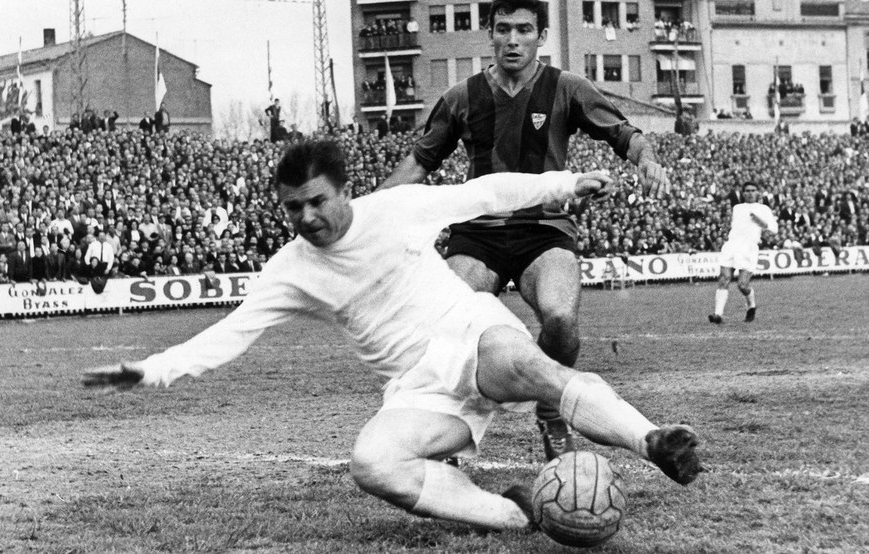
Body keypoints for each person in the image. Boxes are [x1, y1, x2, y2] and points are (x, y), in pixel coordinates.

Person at [84, 140, 702, 534]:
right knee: (373, 464)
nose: (305, 218)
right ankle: (518, 514)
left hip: (467, 331)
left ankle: (652, 442)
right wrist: (151, 369)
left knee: (530, 365)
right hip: (417, 388)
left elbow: (482, 193)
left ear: (343, 190)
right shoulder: (290, 269)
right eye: (291, 208)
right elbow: (230, 333)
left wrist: (562, 185)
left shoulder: (394, 210)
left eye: (315, 202)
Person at [380, 0, 670, 461]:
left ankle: (552, 409)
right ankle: (448, 427)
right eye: (503, 29)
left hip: (544, 229)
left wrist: (648, 160)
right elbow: (420, 161)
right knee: (447, 327)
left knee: (560, 318)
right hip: (478, 234)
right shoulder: (462, 97)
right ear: (490, 35)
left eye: (523, 30)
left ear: (541, 37)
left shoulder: (566, 88)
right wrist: (373, 213)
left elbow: (624, 133)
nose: (512, 39)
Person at [709, 181, 778, 324]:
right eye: (747, 190)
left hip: (749, 249)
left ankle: (751, 306)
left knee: (742, 285)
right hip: (732, 245)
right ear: (743, 193)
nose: (750, 193)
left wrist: (759, 221)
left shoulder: (764, 209)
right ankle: (718, 314)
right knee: (724, 278)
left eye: (753, 190)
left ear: (758, 192)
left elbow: (774, 229)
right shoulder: (737, 208)